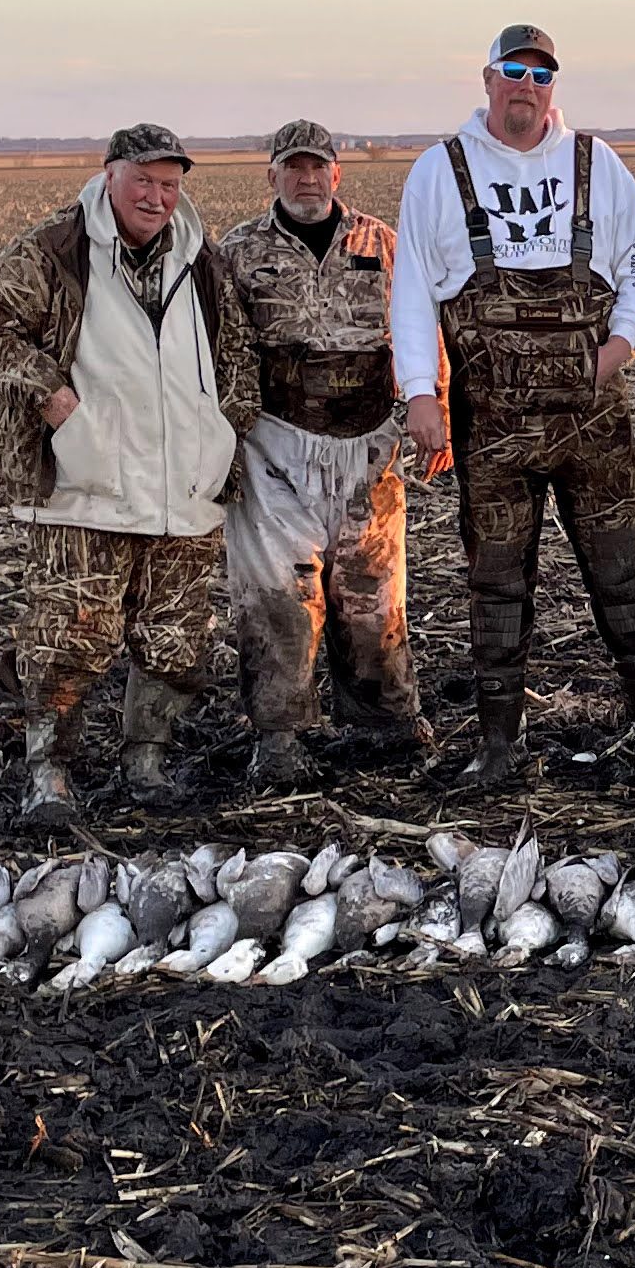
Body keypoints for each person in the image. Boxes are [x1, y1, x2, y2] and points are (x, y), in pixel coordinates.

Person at [391, 24, 635, 789]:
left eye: (541, 74)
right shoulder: (440, 171)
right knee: (495, 578)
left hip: (592, 416)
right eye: (513, 71)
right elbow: (412, 290)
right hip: (490, 422)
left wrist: (617, 350)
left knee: (619, 564)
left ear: (552, 86)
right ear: (487, 79)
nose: (526, 85)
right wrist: (421, 393)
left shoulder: (595, 163)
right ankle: (499, 741)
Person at [0, 122, 262, 815]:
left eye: (170, 184)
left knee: (176, 639)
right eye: (144, 181)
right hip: (85, 486)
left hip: (185, 487)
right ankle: (49, 776)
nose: (157, 197)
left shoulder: (201, 261)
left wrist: (221, 431)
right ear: (109, 176)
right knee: (67, 637)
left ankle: (146, 764)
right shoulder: (57, 249)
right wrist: (58, 404)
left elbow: (239, 357)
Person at [213, 117, 427, 786]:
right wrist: (224, 435)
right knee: (278, 595)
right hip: (277, 441)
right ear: (271, 174)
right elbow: (220, 348)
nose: (307, 179)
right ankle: (278, 736)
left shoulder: (380, 242)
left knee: (371, 592)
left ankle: (384, 724)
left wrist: (434, 401)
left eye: (318, 167)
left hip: (368, 445)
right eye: (293, 167)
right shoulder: (238, 252)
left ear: (337, 174)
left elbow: (419, 326)